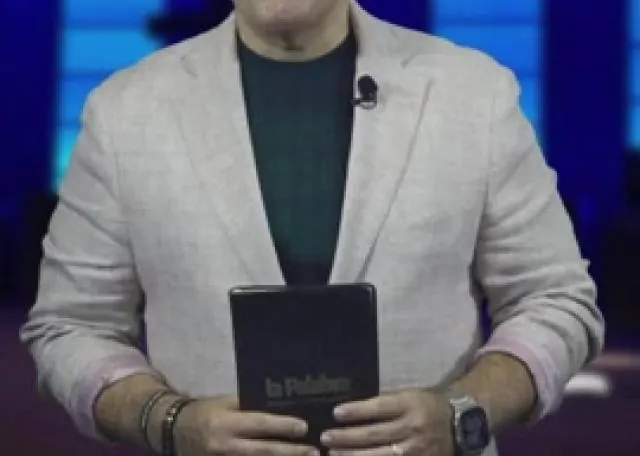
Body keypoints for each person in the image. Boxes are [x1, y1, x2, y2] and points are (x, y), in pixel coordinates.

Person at [20, 1, 605, 456]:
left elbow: (556, 300)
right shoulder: (124, 112)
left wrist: (462, 412)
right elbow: (72, 326)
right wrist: (170, 423)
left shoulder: (474, 94)